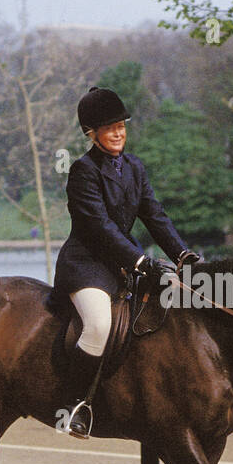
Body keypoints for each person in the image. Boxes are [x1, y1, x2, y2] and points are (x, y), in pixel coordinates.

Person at [53, 86, 199, 439]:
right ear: (92, 133)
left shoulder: (134, 167)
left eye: (121, 125)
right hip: (87, 265)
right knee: (100, 325)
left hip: (123, 262)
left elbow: (154, 214)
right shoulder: (82, 171)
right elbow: (99, 228)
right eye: (109, 127)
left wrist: (182, 253)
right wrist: (140, 260)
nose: (118, 132)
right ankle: (74, 406)